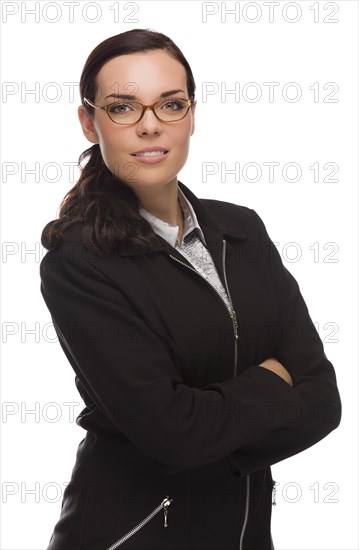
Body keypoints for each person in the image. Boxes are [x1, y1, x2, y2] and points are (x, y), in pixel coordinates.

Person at [39, 28, 341, 550]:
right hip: (129, 535)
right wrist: (273, 384)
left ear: (192, 115)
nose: (150, 126)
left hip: (246, 535)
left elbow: (322, 398)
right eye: (123, 107)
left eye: (171, 104)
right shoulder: (79, 260)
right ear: (90, 122)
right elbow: (172, 434)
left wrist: (207, 433)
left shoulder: (242, 230)